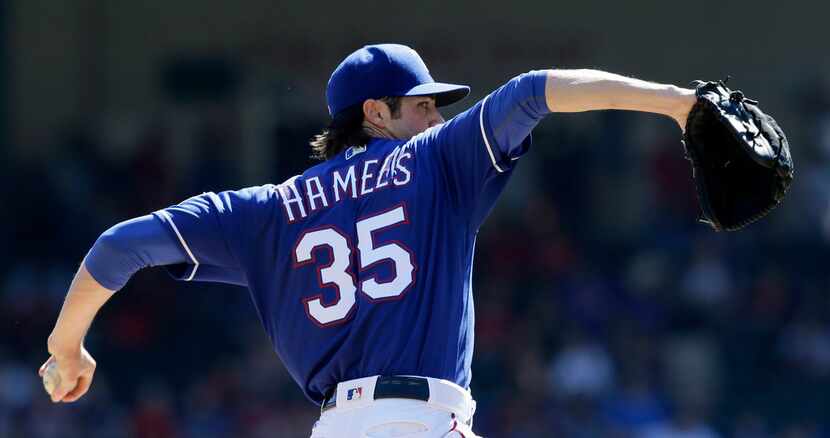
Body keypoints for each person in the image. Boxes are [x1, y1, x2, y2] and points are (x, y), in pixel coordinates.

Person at [41, 43, 695, 437]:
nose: (437, 116)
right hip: (422, 417)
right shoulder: (435, 159)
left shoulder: (265, 212)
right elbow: (533, 93)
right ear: (375, 114)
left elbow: (119, 246)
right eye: (423, 105)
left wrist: (66, 346)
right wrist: (678, 103)